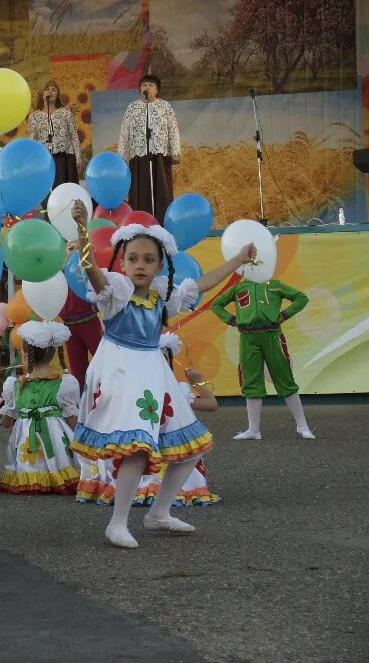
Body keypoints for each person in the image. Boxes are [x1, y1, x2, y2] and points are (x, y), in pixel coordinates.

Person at [69, 201, 252, 548]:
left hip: (153, 373)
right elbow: (89, 267)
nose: (140, 265)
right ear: (122, 262)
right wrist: (81, 228)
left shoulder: (162, 295)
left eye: (148, 260)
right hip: (121, 369)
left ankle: (158, 513)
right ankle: (117, 523)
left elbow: (202, 283)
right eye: (133, 258)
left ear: (159, 265)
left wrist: (238, 260)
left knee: (191, 447)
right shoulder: (116, 294)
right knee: (137, 448)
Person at [211, 275, 313, 440]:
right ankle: (253, 430)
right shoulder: (239, 287)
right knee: (250, 380)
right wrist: (231, 320)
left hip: (272, 335)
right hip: (248, 338)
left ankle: (303, 426)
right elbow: (216, 304)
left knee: (284, 377)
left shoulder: (274, 285)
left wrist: (285, 314)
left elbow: (301, 298)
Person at [134, 334, 221, 506]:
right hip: (159, 449)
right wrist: (198, 383)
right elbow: (212, 403)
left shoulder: (177, 389)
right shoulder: (146, 389)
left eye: (163, 359)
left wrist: (197, 383)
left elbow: (211, 405)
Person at [0, 321, 80, 495]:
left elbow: (5, 423)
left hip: (24, 440)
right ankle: (56, 473)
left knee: (26, 452)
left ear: (26, 355)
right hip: (55, 437)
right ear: (52, 355)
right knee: (58, 449)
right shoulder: (63, 384)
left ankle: (29, 474)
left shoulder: (14, 387)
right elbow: (72, 420)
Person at [117, 74, 180, 223]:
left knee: (162, 190)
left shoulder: (165, 106)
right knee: (140, 189)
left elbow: (173, 129)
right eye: (144, 85)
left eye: (150, 85)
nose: (147, 87)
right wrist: (121, 157)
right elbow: (124, 131)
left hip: (160, 154)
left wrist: (175, 152)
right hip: (138, 155)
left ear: (157, 90)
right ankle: (140, 222)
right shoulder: (133, 107)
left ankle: (162, 222)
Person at [27, 80, 83, 187]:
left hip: (65, 157)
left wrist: (79, 158)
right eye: (47, 89)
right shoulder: (34, 116)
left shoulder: (65, 112)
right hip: (45, 160)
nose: (50, 92)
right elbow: (32, 140)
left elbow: (73, 136)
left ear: (57, 94)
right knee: (47, 191)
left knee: (66, 190)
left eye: (54, 89)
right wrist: (33, 162)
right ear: (42, 94)